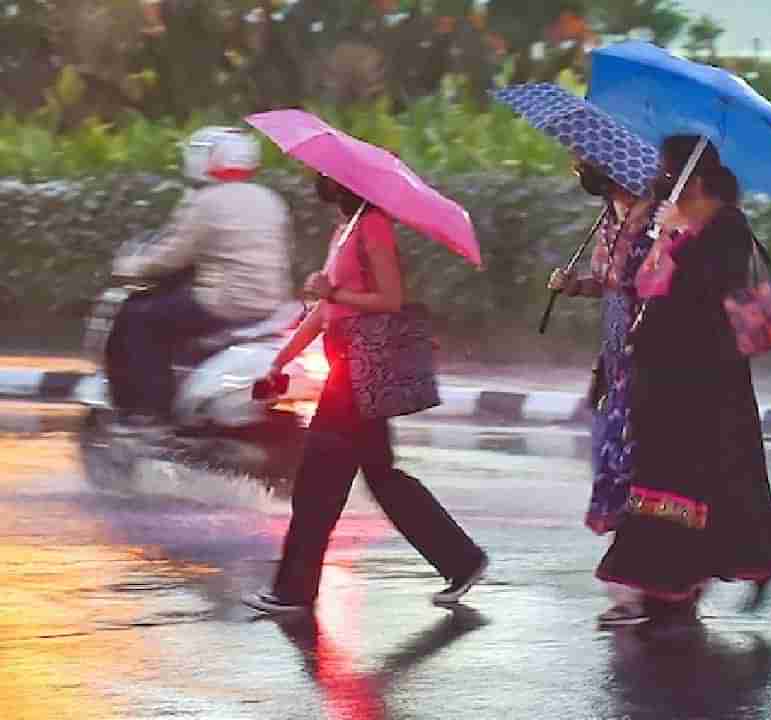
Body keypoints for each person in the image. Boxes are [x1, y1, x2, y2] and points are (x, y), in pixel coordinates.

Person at [243, 175, 488, 615]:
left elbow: (390, 298)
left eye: (328, 178)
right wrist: (279, 360)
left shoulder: (374, 225)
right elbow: (323, 313)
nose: (320, 183)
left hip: (359, 371)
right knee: (383, 477)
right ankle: (462, 560)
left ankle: (294, 589)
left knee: (319, 480)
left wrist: (333, 291)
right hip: (347, 365)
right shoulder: (346, 230)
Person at [593, 136, 771, 628]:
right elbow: (644, 288)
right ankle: (669, 586)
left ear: (694, 179)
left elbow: (702, 299)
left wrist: (674, 254)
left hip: (704, 380)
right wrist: (662, 247)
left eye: (667, 173)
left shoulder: (727, 228)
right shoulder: (676, 225)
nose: (659, 183)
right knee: (668, 479)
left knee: (710, 478)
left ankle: (695, 578)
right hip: (663, 378)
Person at [109, 126, 291, 427]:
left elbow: (172, 256)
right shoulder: (271, 199)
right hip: (271, 304)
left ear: (207, 158)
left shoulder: (206, 201)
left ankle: (152, 415)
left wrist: (131, 266)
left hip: (224, 303)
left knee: (138, 320)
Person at [546, 159, 654, 535]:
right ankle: (625, 528)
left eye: (586, 164)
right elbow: (607, 283)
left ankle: (644, 528)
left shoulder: (659, 219)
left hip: (648, 341)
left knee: (635, 440)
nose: (579, 169)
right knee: (608, 438)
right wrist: (574, 286)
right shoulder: (608, 216)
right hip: (613, 340)